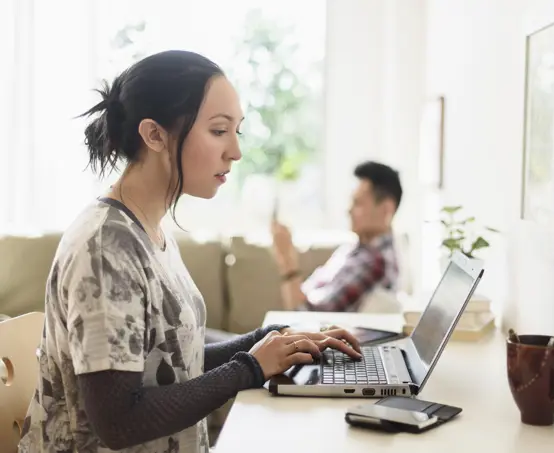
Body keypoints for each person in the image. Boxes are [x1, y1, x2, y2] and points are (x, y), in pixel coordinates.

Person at [18, 50, 362, 453]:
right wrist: (250, 367)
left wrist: (272, 340)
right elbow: (119, 422)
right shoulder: (104, 248)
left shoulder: (148, 228)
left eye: (237, 131)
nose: (235, 150)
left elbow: (172, 361)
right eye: (219, 131)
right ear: (154, 135)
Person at [271, 161, 402, 312]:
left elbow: (305, 317)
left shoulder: (375, 262)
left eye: (358, 203)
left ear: (386, 209)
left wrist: (287, 261)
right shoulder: (356, 248)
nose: (349, 210)